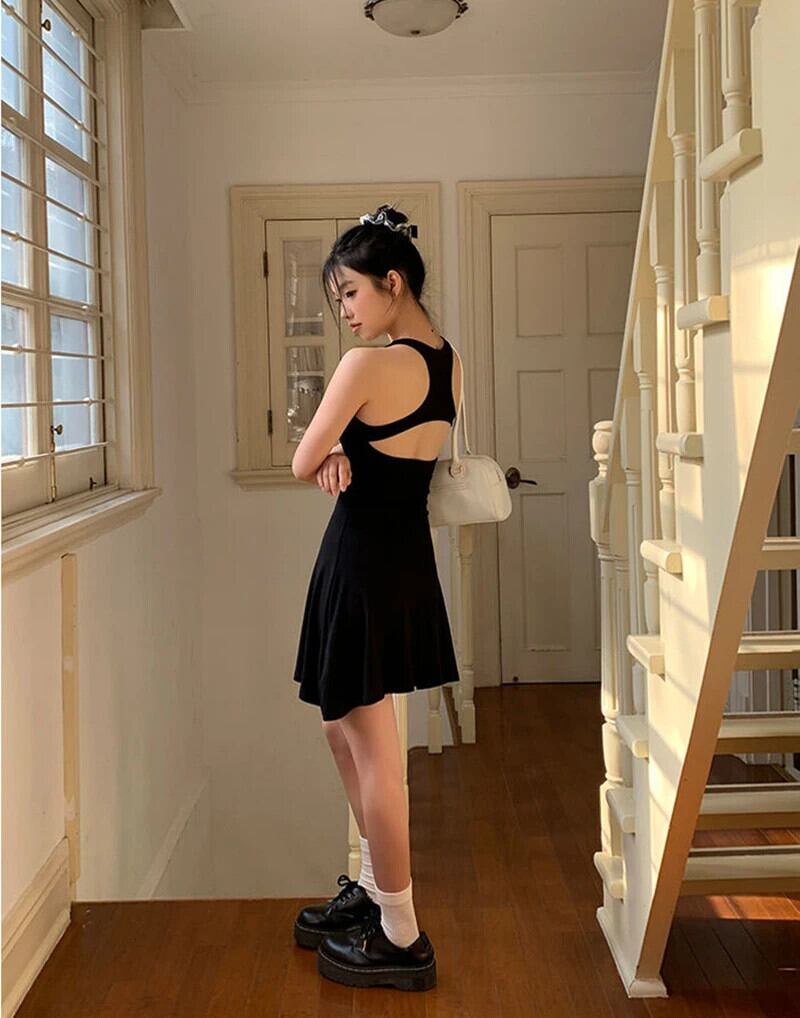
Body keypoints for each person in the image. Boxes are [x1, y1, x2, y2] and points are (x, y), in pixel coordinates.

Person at [289, 205, 462, 992]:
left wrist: (328, 452)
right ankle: (372, 887)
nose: (347, 313)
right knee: (341, 725)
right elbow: (379, 451)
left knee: (376, 755)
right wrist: (337, 451)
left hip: (360, 564)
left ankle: (401, 934)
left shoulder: (365, 367)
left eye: (351, 294)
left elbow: (302, 459)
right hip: (403, 563)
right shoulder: (447, 363)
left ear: (393, 282)